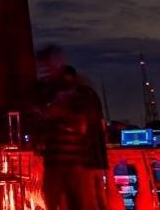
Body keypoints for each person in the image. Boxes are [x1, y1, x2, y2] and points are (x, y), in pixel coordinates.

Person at [37, 66, 110, 210]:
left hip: (75, 161)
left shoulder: (76, 98)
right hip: (84, 160)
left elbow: (81, 125)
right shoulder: (85, 95)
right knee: (93, 198)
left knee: (85, 200)